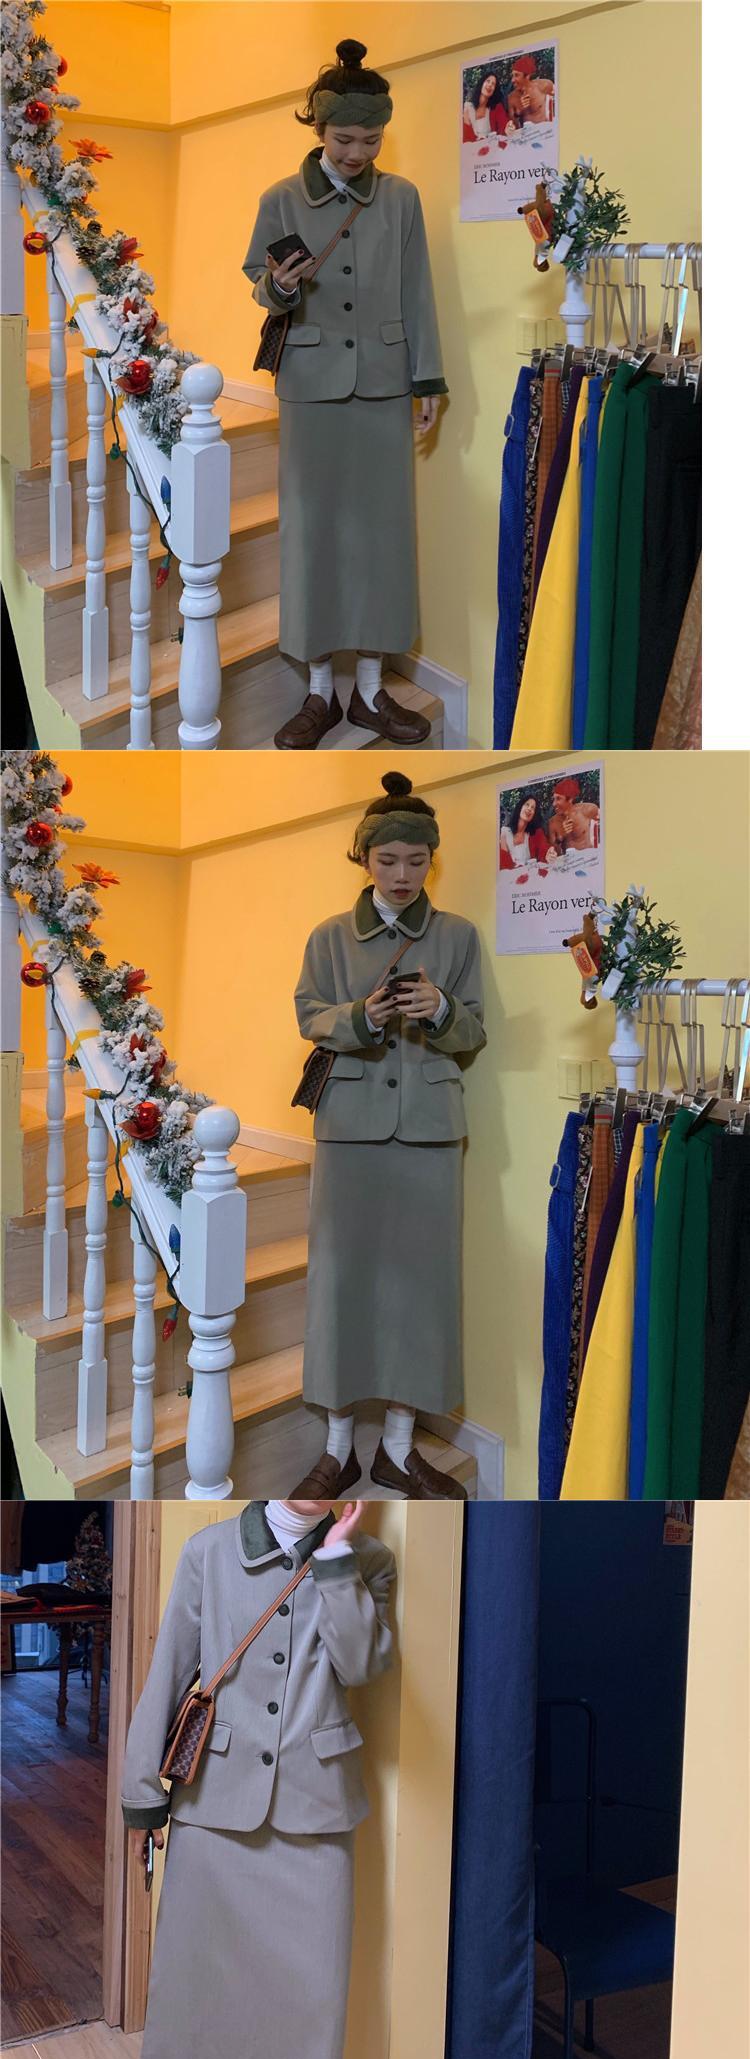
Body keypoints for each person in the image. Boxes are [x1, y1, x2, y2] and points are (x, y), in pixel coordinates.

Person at [122, 1496, 396, 2059]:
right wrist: (143, 1797)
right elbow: (170, 1673)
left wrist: (335, 1558)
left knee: (309, 2020)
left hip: (316, 1819)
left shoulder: (368, 1562)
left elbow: (362, 1665)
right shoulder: (209, 1553)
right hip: (214, 1814)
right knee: (197, 2008)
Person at [242, 38, 448, 749]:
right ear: (319, 130)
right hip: (310, 387)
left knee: (382, 539)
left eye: (372, 139)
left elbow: (417, 290)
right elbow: (260, 283)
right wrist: (279, 285)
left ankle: (369, 690)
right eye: (344, 139)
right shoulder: (280, 199)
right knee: (314, 535)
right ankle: (318, 693)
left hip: (385, 385)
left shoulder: (402, 199)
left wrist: (427, 377)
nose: (358, 152)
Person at [289, 771, 486, 1500]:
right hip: (349, 1130)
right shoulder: (328, 937)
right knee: (339, 1280)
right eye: (388, 860)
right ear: (364, 859)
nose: (403, 875)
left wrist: (441, 1011)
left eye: (417, 860)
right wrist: (359, 1018)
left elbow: (474, 1032)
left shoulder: (459, 936)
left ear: (432, 859)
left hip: (431, 1131)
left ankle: (398, 1449)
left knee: (423, 1288)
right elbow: (309, 1013)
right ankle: (337, 1446)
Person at [546, 776, 601, 855]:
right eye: (553, 799)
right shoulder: (552, 823)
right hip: (568, 861)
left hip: (588, 857)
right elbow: (554, 854)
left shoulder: (588, 809)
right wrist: (560, 836)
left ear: (570, 799)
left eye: (558, 798)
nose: (554, 804)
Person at [499, 793, 550, 868]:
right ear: (520, 807)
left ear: (534, 814)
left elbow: (544, 850)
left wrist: (549, 854)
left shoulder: (535, 833)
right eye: (527, 805)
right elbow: (504, 862)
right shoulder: (505, 831)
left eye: (533, 808)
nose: (529, 809)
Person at [506, 53, 556, 128]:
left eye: (516, 75)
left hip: (545, 130)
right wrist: (519, 111)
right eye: (512, 76)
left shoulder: (544, 85)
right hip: (527, 134)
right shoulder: (511, 98)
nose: (512, 80)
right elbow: (513, 128)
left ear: (527, 76)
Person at [462, 69, 509, 140]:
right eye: (488, 81)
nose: (490, 85)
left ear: (494, 90)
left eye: (493, 84)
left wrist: (509, 128)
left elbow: (504, 127)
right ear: (481, 83)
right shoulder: (468, 107)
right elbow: (466, 138)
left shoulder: (496, 107)